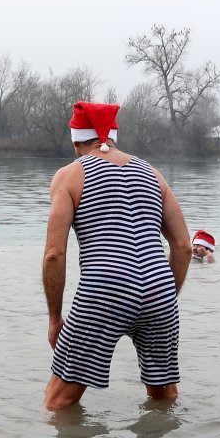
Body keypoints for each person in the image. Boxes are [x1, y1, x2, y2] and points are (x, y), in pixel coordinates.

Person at [42, 101, 192, 411]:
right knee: (164, 397)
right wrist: (162, 296)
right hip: (159, 287)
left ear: (75, 140)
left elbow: (55, 255)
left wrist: (55, 318)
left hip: (105, 289)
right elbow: (183, 247)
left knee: (58, 401)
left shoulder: (69, 176)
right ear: (113, 136)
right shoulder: (153, 173)